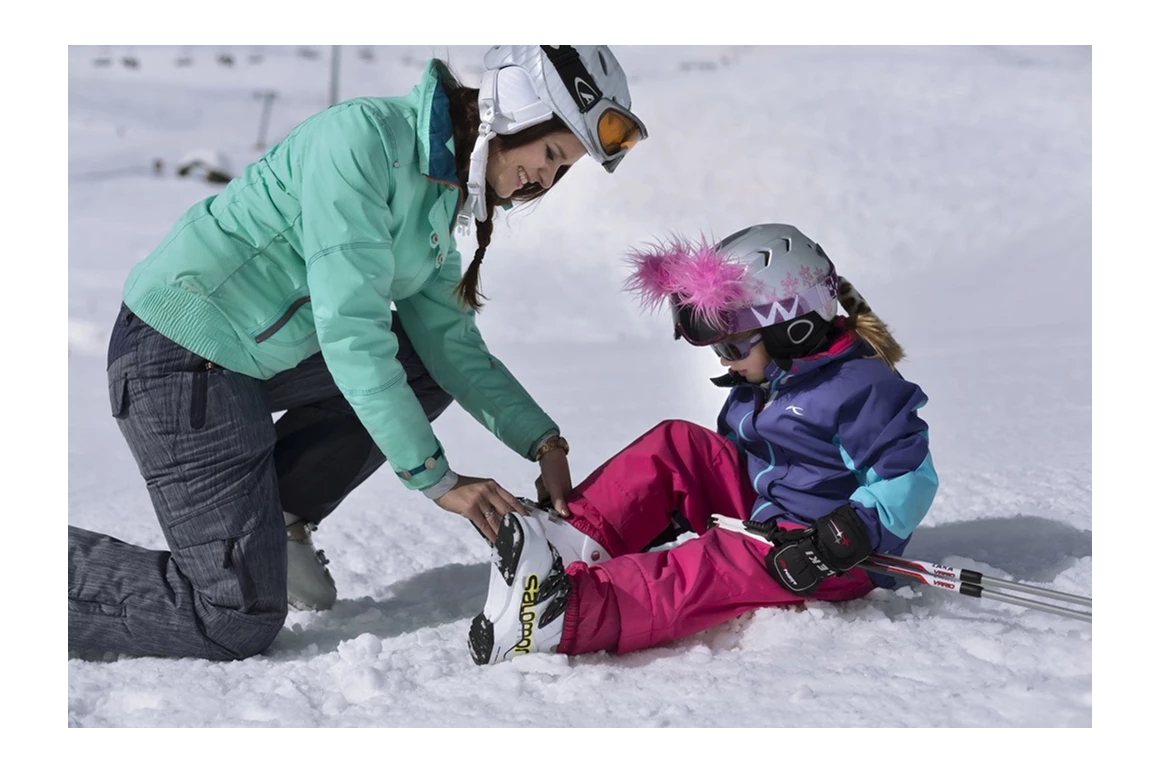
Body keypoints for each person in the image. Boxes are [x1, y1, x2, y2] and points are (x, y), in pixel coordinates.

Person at [68, 45, 649, 661]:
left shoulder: (435, 193)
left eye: (563, 171)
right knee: (233, 618)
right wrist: (437, 481)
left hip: (247, 361)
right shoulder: (361, 142)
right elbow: (351, 330)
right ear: (512, 112)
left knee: (423, 362)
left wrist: (543, 442)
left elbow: (453, 346)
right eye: (552, 155)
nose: (546, 180)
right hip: (179, 355)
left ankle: (282, 517)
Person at [468, 223, 939, 664]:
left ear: (791, 329)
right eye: (719, 349)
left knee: (717, 563)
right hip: (768, 512)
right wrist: (662, 512)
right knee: (678, 445)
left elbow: (907, 474)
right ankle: (569, 544)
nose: (725, 361)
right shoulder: (770, 378)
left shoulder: (859, 388)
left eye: (733, 347)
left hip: (828, 552)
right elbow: (736, 460)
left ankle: (565, 616)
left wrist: (850, 532)